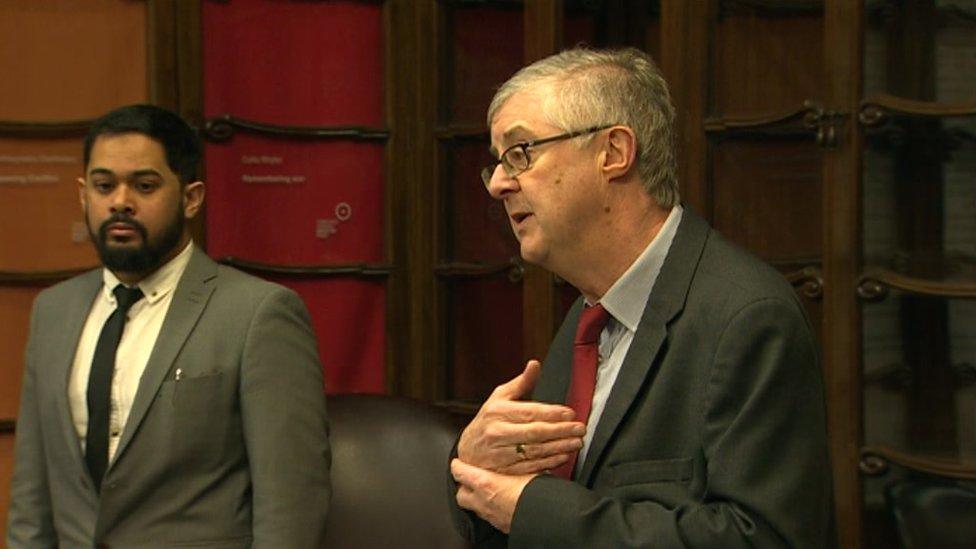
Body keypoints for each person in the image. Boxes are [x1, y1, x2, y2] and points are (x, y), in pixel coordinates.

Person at [448, 48, 833, 547]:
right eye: (497, 163)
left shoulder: (747, 317)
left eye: (521, 152)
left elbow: (763, 539)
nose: (499, 183)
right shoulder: (588, 316)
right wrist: (474, 461)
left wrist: (533, 508)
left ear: (613, 152)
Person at [6, 104, 331, 548]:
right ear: (84, 195)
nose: (120, 201)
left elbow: (291, 504)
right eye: (104, 186)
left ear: (191, 197)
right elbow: (32, 499)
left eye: (144, 185)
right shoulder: (53, 312)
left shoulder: (258, 313)